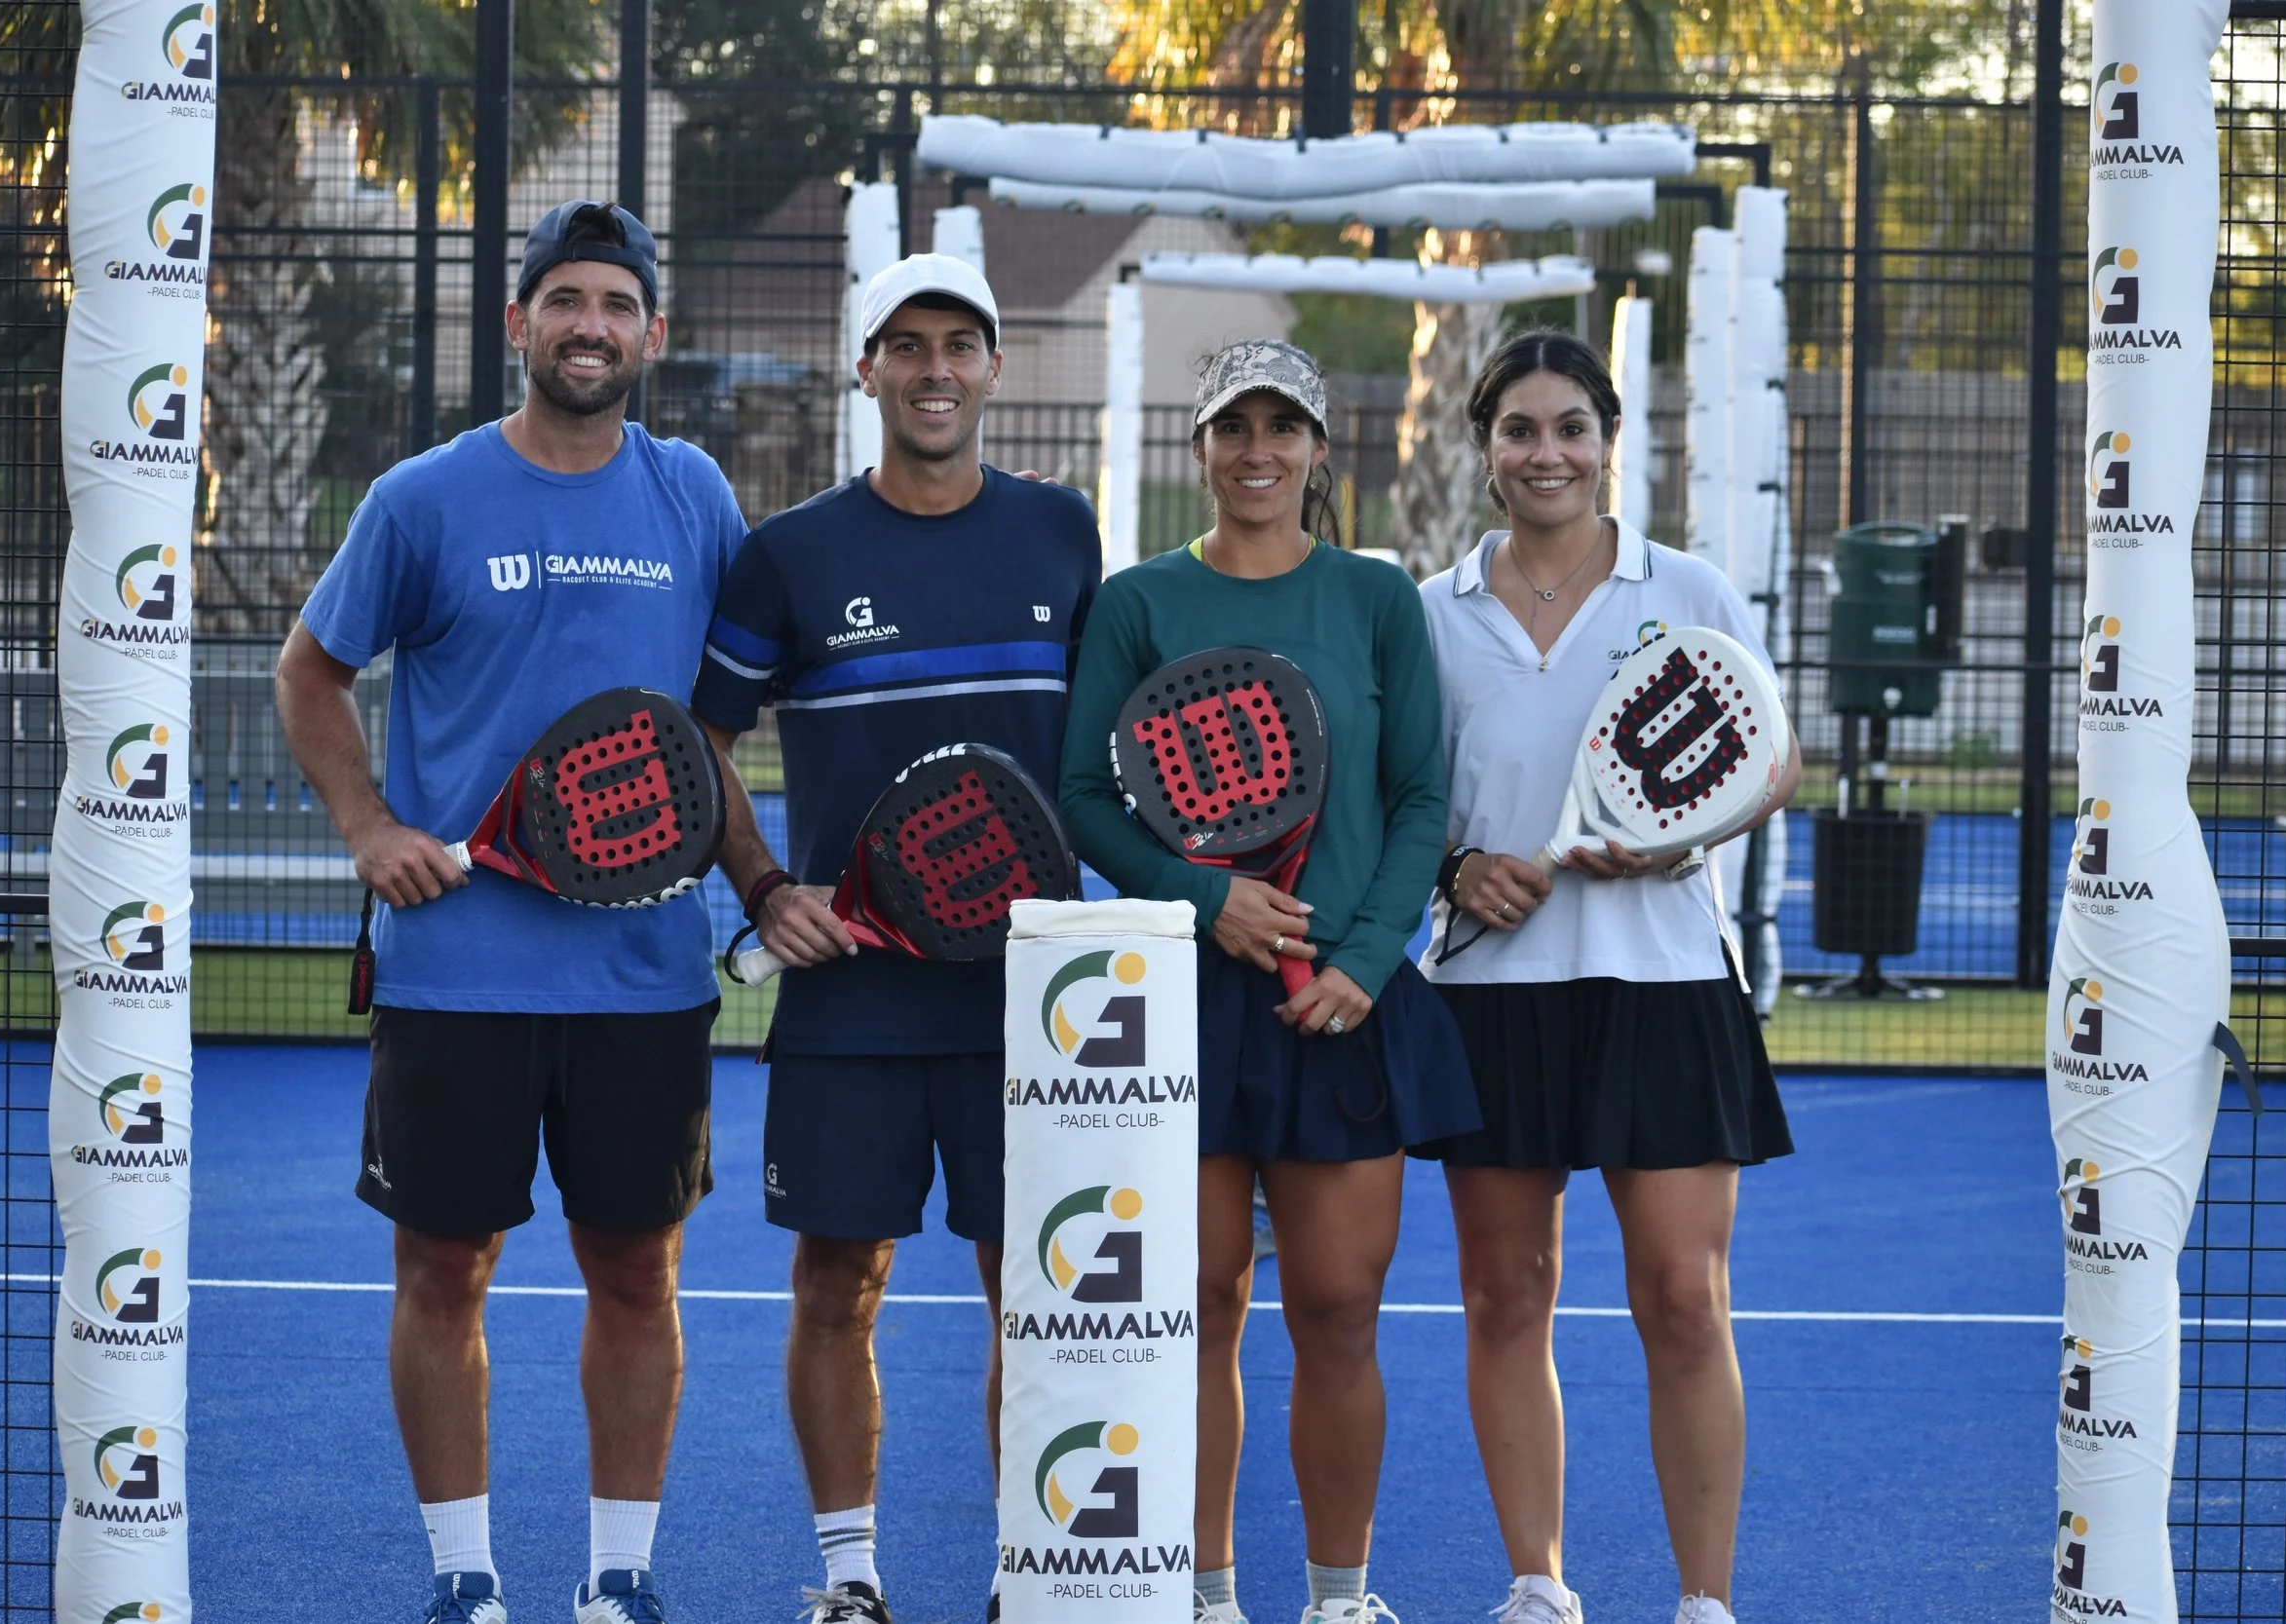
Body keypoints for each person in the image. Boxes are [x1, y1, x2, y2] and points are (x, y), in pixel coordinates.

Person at [278, 200, 743, 1624]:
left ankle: (617, 1577)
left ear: (650, 334)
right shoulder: (421, 498)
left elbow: (715, 725)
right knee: (441, 1268)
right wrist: (369, 825)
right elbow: (310, 672)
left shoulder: (694, 497)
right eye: (566, 302)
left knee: (634, 1269)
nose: (590, 326)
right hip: (455, 972)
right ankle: (465, 1578)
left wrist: (763, 883)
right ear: (519, 324)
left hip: (645, 972)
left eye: (616, 304)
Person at [689, 253, 1102, 1624]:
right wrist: (759, 887)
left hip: (1034, 1004)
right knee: (835, 1286)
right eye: (905, 343)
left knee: (1034, 1305)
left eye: (958, 344)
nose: (933, 367)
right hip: (850, 1002)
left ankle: (1026, 1570)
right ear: (866, 368)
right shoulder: (788, 552)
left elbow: (1102, 757)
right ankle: (852, 1579)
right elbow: (704, 742)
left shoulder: (1064, 533)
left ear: (992, 367)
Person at [1056, 339, 1477, 1624]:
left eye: (1281, 426)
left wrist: (1361, 961)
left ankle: (1340, 1596)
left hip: (1342, 1001)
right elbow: (1085, 797)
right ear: (1199, 448)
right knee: (1196, 1302)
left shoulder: (1376, 598)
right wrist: (1207, 898)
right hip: (1184, 996)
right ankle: (1202, 1592)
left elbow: (1419, 798)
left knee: (1339, 1309)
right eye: (1231, 425)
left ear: (1315, 450)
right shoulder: (1138, 603)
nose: (1256, 450)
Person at [1415, 330, 1800, 1624]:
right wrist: (1459, 868)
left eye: (1570, 427)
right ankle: (1539, 1583)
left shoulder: (1684, 586)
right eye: (1519, 429)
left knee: (1683, 1298)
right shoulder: (1430, 609)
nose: (1546, 452)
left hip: (1664, 984)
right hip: (1490, 996)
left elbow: (1769, 752)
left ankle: (1704, 1599)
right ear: (1485, 450)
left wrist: (1682, 833)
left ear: (1608, 440)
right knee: (1505, 1293)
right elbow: (1405, 799)